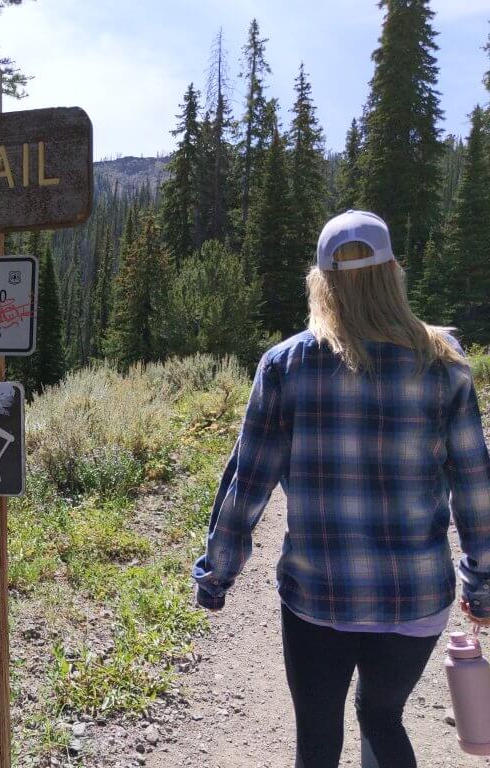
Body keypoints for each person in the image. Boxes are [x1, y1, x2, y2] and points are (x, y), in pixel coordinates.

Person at [192, 210, 490, 768]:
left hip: (317, 597)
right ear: (393, 274)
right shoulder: (445, 366)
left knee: (318, 733)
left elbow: (247, 484)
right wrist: (483, 584)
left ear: (321, 283)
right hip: (416, 601)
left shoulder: (286, 366)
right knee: (382, 716)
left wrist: (217, 575)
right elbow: (476, 490)